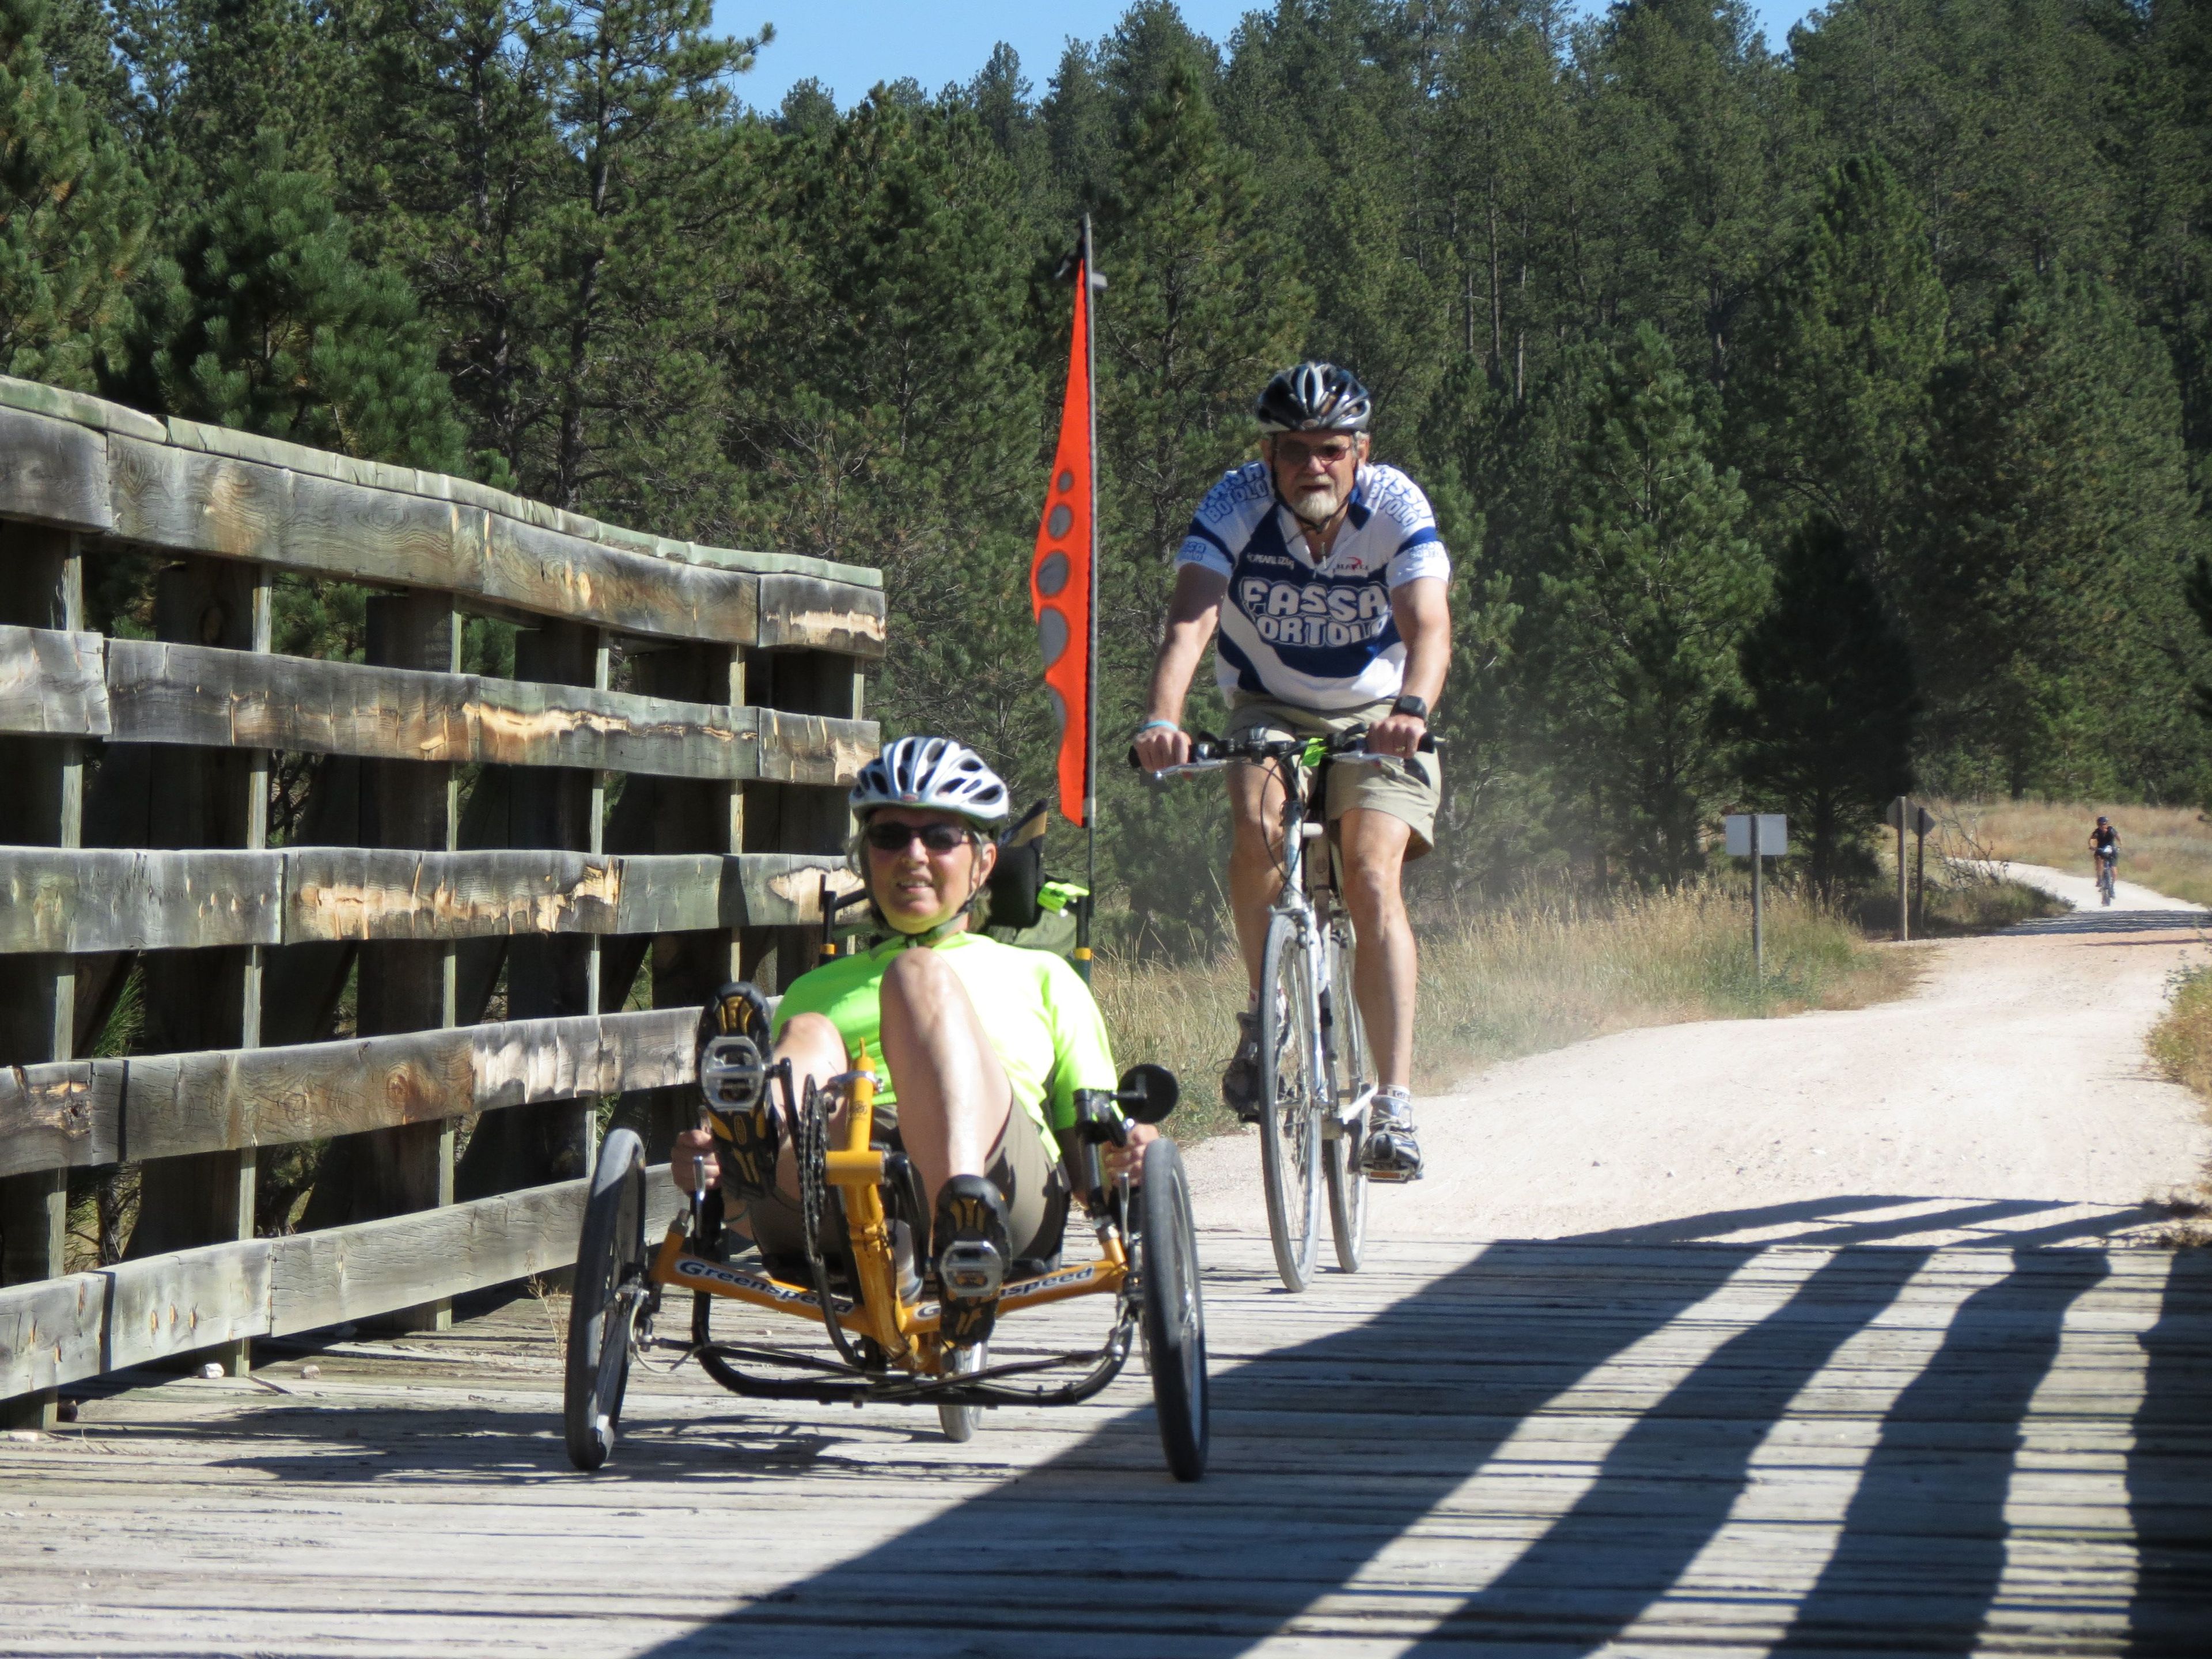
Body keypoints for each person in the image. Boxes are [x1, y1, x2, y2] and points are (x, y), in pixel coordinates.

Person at [670, 736, 1145, 1349]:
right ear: (866, 859)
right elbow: (741, 1219)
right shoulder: (817, 985)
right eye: (890, 837)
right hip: (835, 1180)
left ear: (983, 862)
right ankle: (749, 1142)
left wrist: (1128, 1150)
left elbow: (1094, 1140)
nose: (913, 855)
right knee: (808, 1034)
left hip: (999, 1176)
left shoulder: (1042, 976)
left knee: (915, 973)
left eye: (941, 838)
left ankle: (961, 1220)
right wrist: (711, 1173)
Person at [1131, 361, 1450, 1182]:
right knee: (1256, 825)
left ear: (1361, 451)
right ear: (1269, 454)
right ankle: (1266, 1010)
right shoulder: (1234, 503)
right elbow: (1190, 624)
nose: (1315, 465)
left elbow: (1429, 626)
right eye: (1296, 449)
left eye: (1332, 450)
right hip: (1265, 706)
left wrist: (1411, 707)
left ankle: (1394, 1101)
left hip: (1379, 717)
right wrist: (1164, 721)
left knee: (1373, 873)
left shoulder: (1397, 507)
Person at [2089, 815, 2120, 889]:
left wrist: (2120, 845)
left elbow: (2118, 836)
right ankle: (2099, 878)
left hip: (2112, 850)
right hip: (2101, 850)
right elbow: (2092, 839)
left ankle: (2112, 886)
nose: (2102, 826)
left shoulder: (2111, 830)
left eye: (2104, 824)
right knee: (2098, 860)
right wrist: (2092, 846)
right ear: (2098, 825)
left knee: (2114, 870)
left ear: (2107, 824)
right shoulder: (2097, 832)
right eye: (2100, 825)